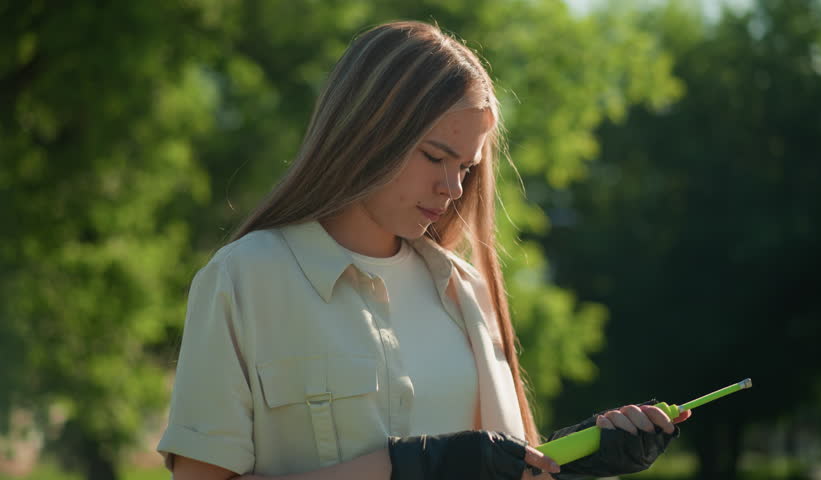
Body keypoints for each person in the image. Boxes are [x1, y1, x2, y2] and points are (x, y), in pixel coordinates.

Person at [156, 20, 691, 480]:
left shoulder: (467, 293)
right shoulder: (244, 280)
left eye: (466, 167)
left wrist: (580, 456)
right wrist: (401, 468)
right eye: (435, 156)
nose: (453, 188)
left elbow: (489, 463)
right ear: (368, 130)